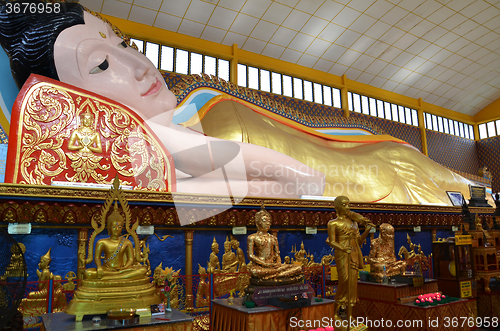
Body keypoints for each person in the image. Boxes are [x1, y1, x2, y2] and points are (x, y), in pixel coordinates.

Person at [0, 1, 325, 200]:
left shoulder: (163, 143)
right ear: (66, 102)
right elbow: (212, 159)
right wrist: (299, 178)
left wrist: (287, 186)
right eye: (101, 65)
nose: (142, 66)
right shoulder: (132, 138)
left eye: (125, 45)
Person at [326, 196, 372, 322]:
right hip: (342, 253)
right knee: (344, 280)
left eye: (348, 204)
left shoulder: (354, 223)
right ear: (337, 207)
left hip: (354, 252)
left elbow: (359, 240)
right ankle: (335, 314)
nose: (347, 207)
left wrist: (367, 230)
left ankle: (350, 315)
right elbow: (330, 241)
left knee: (352, 283)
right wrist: (342, 248)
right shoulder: (333, 223)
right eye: (344, 204)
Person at [83, 203, 148, 280]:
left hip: (122, 270)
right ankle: (118, 277)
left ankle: (113, 277)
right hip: (106, 270)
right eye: (114, 226)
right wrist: (99, 267)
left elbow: (130, 259)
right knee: (88, 273)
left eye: (119, 227)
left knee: (143, 270)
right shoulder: (102, 242)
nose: (116, 229)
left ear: (123, 228)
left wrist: (124, 268)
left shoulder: (127, 242)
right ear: (109, 227)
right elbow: (97, 258)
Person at [247, 205, 302, 282]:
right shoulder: (252, 237)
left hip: (274, 266)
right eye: (264, 221)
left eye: (269, 221)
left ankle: (272, 276)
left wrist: (278, 264)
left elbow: (277, 254)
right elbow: (250, 255)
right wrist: (265, 264)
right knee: (255, 272)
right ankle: (278, 276)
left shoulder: (273, 238)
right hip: (261, 267)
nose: (267, 223)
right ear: (258, 222)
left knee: (298, 268)